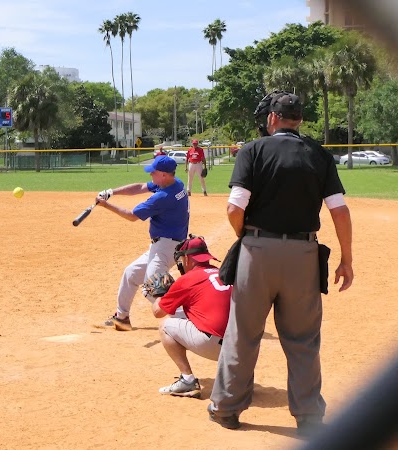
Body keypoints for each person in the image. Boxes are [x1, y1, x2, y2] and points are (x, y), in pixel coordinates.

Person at [207, 92, 354, 436]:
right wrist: (346, 259)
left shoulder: (253, 150)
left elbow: (234, 208)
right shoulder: (318, 153)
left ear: (272, 118)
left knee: (243, 334)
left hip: (258, 251)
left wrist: (248, 238)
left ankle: (227, 409)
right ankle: (309, 417)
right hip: (303, 254)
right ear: (298, 120)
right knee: (303, 340)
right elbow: (339, 210)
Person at [95, 155, 190, 331]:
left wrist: (106, 205)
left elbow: (132, 216)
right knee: (131, 273)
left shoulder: (162, 197)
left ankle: (189, 318)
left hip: (166, 247)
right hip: (165, 245)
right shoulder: (175, 183)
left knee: (152, 287)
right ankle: (122, 318)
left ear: (163, 175)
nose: (150, 174)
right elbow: (140, 187)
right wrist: (112, 192)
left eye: (154, 172)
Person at [151, 236, 231, 399]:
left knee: (165, 326)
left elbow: (158, 312)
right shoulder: (222, 273)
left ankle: (187, 380)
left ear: (187, 258)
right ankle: (240, 378)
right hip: (244, 349)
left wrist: (159, 294)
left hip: (215, 347)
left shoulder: (187, 279)